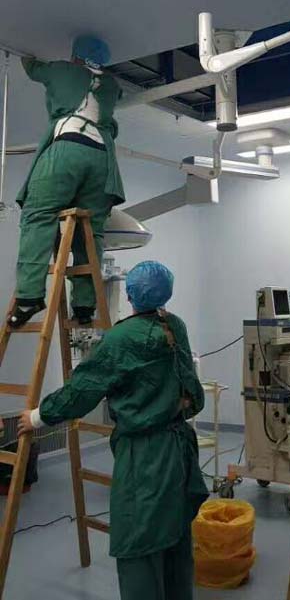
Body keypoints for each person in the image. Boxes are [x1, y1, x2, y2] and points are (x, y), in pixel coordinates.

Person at [18, 260, 208, 600]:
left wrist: (37, 417)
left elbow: (82, 391)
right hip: (179, 448)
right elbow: (190, 391)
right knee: (175, 537)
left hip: (144, 456)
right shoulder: (174, 326)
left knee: (139, 542)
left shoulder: (120, 338)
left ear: (131, 295)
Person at [10, 35, 125, 328]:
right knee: (90, 232)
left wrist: (23, 48)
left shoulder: (62, 70)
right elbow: (111, 124)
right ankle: (85, 306)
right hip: (102, 161)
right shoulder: (111, 86)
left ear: (76, 56)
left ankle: (29, 297)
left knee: (38, 216)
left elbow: (31, 66)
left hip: (68, 149)